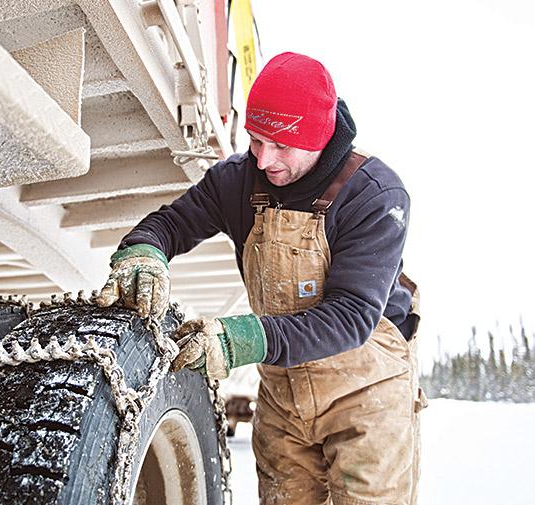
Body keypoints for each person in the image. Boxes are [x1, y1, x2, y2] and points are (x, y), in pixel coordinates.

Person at [97, 51, 424, 505]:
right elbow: (170, 224)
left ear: (320, 137)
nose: (263, 158)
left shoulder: (374, 195)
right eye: (255, 139)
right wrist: (144, 254)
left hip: (365, 397)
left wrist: (238, 340)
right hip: (282, 397)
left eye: (281, 145)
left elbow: (351, 316)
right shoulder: (238, 180)